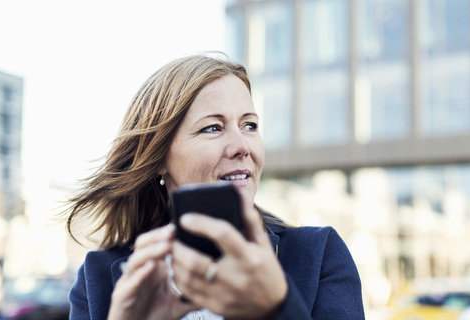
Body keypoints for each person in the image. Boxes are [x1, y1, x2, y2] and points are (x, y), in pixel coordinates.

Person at [64, 52, 365, 319]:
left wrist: (276, 309)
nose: (242, 146)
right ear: (159, 158)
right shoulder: (98, 279)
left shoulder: (319, 254)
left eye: (250, 125)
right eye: (213, 127)